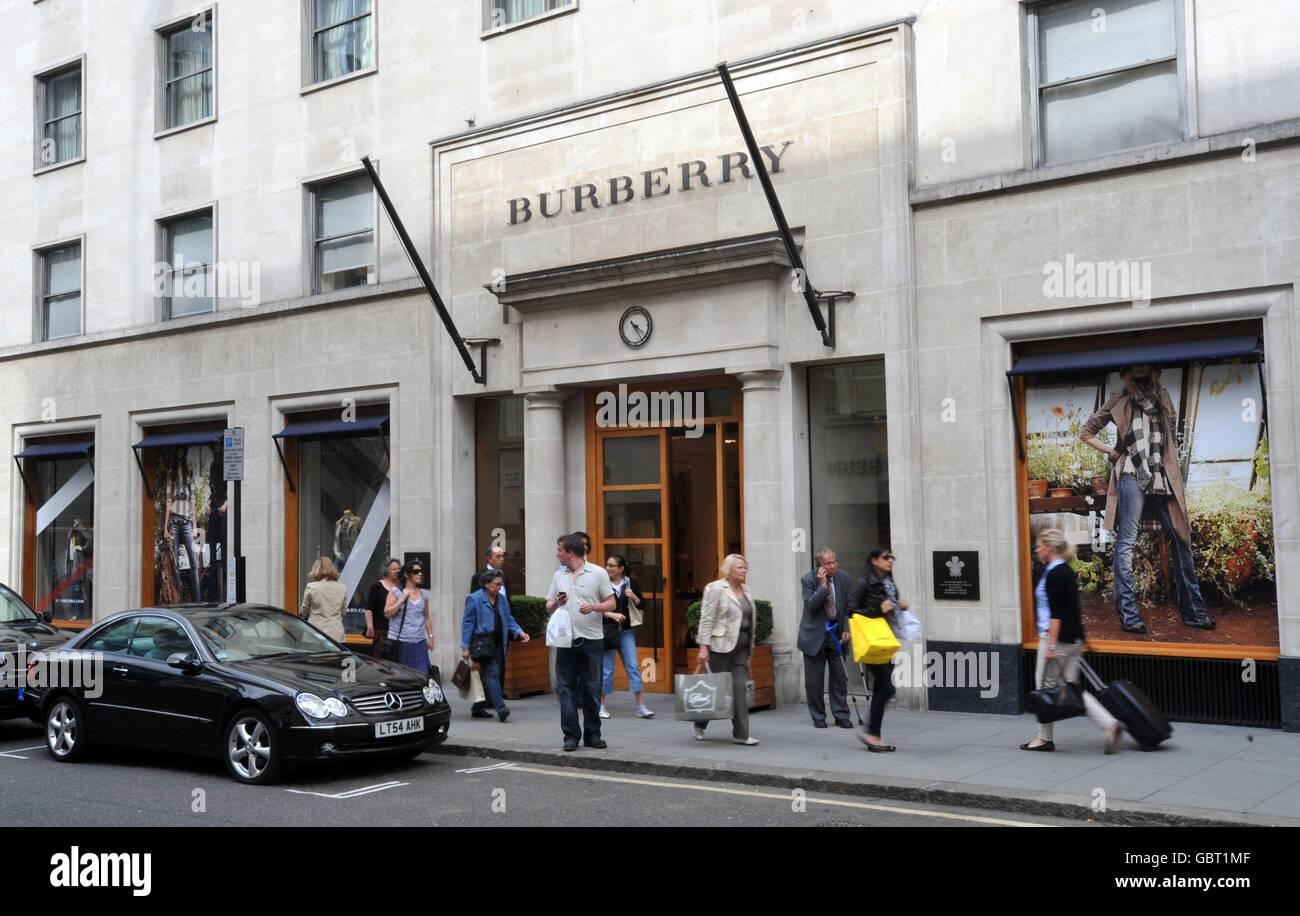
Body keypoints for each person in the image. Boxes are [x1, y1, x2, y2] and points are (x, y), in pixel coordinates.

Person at [1080, 363, 1214, 633]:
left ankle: (1194, 613)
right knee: (1127, 542)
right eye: (1133, 365)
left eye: (1146, 364)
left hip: (1161, 476)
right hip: (1131, 474)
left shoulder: (1163, 398)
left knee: (1181, 539)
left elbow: (1171, 438)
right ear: (1125, 371)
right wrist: (1115, 453)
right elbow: (1086, 432)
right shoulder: (1120, 399)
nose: (1140, 368)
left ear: (1154, 369)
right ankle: (1129, 615)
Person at [1020, 529, 1124, 754]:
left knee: (1044, 688)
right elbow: (1072, 609)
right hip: (1074, 638)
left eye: (1039, 545)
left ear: (1049, 546)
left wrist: (1052, 645)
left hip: (1056, 639)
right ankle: (1110, 725)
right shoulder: (1065, 571)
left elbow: (1056, 613)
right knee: (1072, 688)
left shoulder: (1054, 574)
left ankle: (1043, 739)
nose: (1037, 549)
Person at [546, 533, 615, 752]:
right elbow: (548, 606)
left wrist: (593, 607)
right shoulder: (559, 575)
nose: (557, 554)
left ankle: (593, 735)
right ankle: (571, 736)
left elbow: (612, 603)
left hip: (592, 640)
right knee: (566, 689)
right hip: (566, 642)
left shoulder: (598, 573)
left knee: (592, 689)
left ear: (571, 552)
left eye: (560, 550)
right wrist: (557, 602)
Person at [694, 553, 760, 746]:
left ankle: (741, 734)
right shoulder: (715, 588)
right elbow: (706, 619)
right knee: (713, 689)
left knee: (739, 689)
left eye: (745, 568)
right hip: (720, 647)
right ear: (729, 569)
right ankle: (699, 723)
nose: (744, 570)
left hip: (742, 646)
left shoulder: (745, 589)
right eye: (740, 567)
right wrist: (703, 646)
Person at [847, 546, 907, 752]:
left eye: (892, 557)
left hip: (884, 642)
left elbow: (889, 611)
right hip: (872, 643)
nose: (890, 560)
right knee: (886, 688)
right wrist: (877, 610)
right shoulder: (865, 583)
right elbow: (852, 610)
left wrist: (900, 606)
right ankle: (872, 734)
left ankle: (872, 733)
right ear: (874, 561)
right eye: (885, 557)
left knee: (884, 688)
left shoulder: (888, 583)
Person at [462, 570, 529, 722]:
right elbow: (468, 623)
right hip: (483, 643)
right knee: (492, 673)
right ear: (486, 584)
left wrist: (519, 631)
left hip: (500, 643)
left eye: (501, 584)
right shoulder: (475, 599)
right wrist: (465, 647)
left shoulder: (502, 599)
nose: (499, 587)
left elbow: (509, 618)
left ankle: (477, 708)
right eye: (496, 584)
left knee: (490, 676)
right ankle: (501, 708)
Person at [798, 548, 854, 728]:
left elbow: (848, 608)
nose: (833, 566)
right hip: (814, 635)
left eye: (834, 562)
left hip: (836, 634)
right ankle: (818, 717)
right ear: (819, 566)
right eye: (828, 563)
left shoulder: (844, 578)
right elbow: (812, 606)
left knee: (839, 677)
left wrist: (846, 628)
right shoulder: (808, 580)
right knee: (814, 680)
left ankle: (841, 715)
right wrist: (822, 586)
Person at [599, 554, 654, 719]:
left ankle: (641, 706)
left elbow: (643, 604)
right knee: (607, 670)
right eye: (607, 565)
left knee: (633, 667)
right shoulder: (603, 584)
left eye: (612, 566)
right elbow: (597, 608)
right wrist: (612, 615)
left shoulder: (631, 583)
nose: (608, 568)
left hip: (626, 632)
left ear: (621, 568)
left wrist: (634, 597)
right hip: (608, 631)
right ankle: (601, 706)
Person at [384, 561, 433, 674]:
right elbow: (387, 613)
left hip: (419, 642)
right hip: (401, 642)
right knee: (401, 675)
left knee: (422, 674)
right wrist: (402, 599)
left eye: (421, 572)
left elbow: (426, 617)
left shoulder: (424, 594)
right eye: (416, 571)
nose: (420, 574)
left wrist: (431, 637)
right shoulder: (396, 592)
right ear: (406, 574)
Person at [300, 556, 347, 643]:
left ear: (315, 569)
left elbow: (304, 611)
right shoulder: (342, 588)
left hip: (315, 633)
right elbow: (343, 611)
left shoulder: (311, 587)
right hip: (336, 634)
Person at [365, 558, 400, 641]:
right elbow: (369, 609)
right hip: (381, 630)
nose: (397, 571)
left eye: (399, 569)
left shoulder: (402, 588)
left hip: (398, 630)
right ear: (386, 571)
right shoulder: (377, 586)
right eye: (394, 569)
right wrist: (370, 627)